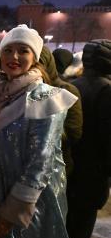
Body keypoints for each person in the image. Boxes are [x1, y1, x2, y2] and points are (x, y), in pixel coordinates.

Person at [0, 25, 78, 238]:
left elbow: (41, 161)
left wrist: (13, 210)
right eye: (8, 50)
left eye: (23, 50)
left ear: (35, 56)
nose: (14, 57)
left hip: (32, 203)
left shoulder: (45, 97)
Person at [66, 39, 111, 238]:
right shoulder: (107, 89)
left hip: (74, 157)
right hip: (95, 162)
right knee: (88, 208)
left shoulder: (74, 84)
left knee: (73, 204)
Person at [39, 46, 83, 176]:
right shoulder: (19, 88)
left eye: (39, 64)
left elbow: (73, 132)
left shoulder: (65, 90)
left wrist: (41, 135)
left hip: (55, 167)